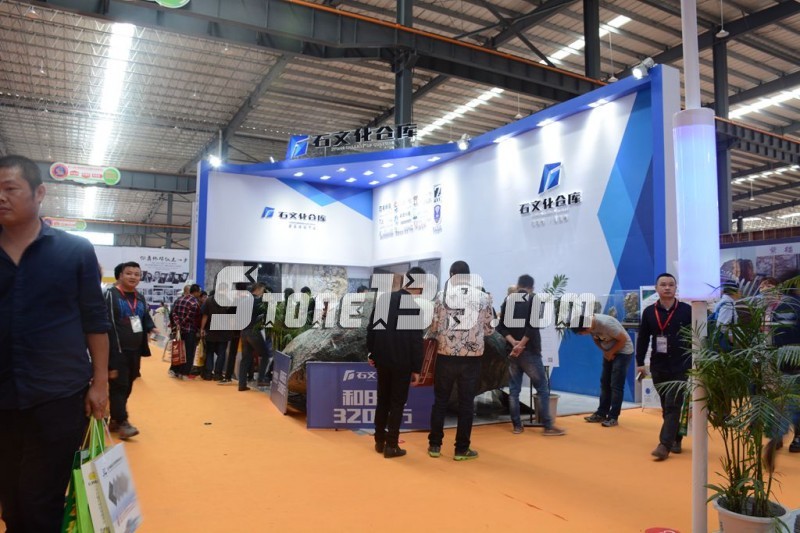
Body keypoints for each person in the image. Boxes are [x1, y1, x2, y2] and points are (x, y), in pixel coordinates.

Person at [0, 155, 111, 531]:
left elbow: (95, 321)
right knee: (10, 499)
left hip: (59, 395)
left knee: (40, 499)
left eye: (10, 188)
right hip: (2, 396)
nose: (1, 197)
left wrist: (100, 383)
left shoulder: (75, 251)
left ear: (39, 193)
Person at [427, 260, 495, 461]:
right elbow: (490, 330)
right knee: (466, 403)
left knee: (440, 401)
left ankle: (435, 445)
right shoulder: (483, 297)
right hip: (471, 359)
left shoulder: (441, 296)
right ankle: (461, 449)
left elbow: (433, 327)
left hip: (445, 356)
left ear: (451, 275)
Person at [498, 274, 566, 436]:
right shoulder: (534, 300)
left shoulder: (508, 301)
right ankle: (548, 426)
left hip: (512, 352)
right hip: (530, 351)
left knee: (514, 390)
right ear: (531, 288)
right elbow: (532, 327)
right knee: (542, 388)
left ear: (518, 285)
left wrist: (514, 343)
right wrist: (521, 345)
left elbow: (500, 327)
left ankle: (517, 426)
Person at [367, 268, 424, 458]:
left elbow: (372, 329)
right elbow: (416, 341)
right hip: (402, 362)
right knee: (397, 403)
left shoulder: (385, 300)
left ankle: (379, 441)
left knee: (382, 400)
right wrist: (417, 368)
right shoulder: (413, 307)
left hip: (382, 359)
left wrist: (371, 353)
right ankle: (392, 445)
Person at [635, 273, 692, 461]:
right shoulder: (649, 312)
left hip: (681, 365)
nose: (667, 287)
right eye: (663, 284)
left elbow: (698, 336)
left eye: (671, 284)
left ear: (676, 288)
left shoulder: (687, 310)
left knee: (673, 404)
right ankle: (676, 438)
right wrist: (640, 363)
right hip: (658, 365)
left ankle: (664, 445)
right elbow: (643, 338)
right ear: (656, 288)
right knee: (666, 406)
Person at [106, 261, 158, 439]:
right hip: (116, 350)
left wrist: (151, 327)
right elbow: (106, 324)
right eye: (129, 273)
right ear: (120, 275)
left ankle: (115, 419)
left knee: (128, 383)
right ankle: (123, 422)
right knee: (119, 385)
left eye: (137, 274)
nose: (133, 277)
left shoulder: (139, 297)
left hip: (135, 350)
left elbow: (144, 317)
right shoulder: (110, 295)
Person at [572, 314, 634, 427]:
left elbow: (623, 340)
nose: (581, 335)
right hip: (609, 351)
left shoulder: (606, 324)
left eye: (581, 333)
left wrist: (611, 352)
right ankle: (601, 413)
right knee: (605, 382)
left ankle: (613, 417)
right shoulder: (590, 326)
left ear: (587, 328)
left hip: (623, 352)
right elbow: (596, 339)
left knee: (616, 385)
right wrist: (605, 351)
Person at [239, 283, 274, 391]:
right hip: (253, 332)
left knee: (245, 358)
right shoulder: (257, 301)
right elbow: (265, 313)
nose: (263, 293)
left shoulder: (243, 301)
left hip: (243, 332)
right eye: (263, 290)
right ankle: (261, 379)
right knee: (265, 354)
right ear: (258, 289)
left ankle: (241, 384)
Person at [170, 283, 202, 379]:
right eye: (199, 292)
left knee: (179, 350)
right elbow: (189, 317)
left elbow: (173, 313)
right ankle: (184, 373)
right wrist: (182, 324)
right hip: (189, 330)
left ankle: (175, 370)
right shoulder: (194, 303)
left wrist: (177, 324)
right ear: (196, 292)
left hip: (179, 331)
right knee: (189, 352)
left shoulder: (179, 299)